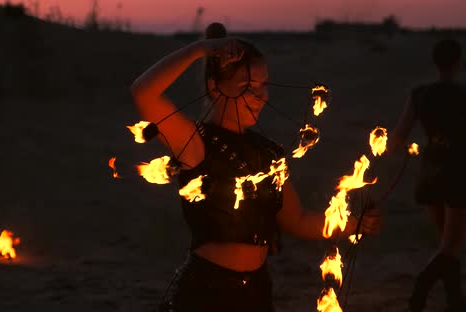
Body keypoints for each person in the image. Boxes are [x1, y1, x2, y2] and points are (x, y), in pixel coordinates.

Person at [130, 23, 381, 312]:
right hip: (207, 292)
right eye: (248, 87)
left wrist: (354, 225)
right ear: (214, 87)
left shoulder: (269, 153)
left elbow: (296, 219)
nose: (261, 97)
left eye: (263, 86)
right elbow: (143, 93)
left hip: (257, 292)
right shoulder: (196, 142)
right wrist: (199, 50)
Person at [388, 39, 466, 312]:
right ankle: (420, 292)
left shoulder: (419, 94)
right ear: (458, 62)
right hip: (457, 175)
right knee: (450, 247)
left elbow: (397, 138)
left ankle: (455, 302)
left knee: (447, 245)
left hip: (430, 173)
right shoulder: (462, 96)